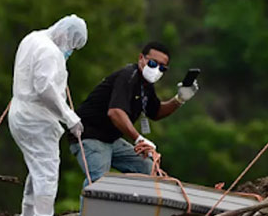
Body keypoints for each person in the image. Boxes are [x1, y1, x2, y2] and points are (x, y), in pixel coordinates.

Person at [68, 41, 199, 187]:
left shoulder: (146, 85)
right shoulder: (128, 76)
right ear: (141, 58)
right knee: (98, 181)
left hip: (111, 140)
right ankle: (90, 202)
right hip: (89, 135)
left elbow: (155, 112)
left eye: (162, 68)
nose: (156, 70)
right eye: (153, 64)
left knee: (149, 169)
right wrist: (139, 139)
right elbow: (115, 112)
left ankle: (138, 200)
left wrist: (179, 99)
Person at [9, 14, 88, 216]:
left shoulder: (33, 38)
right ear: (64, 35)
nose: (69, 50)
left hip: (21, 113)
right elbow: (45, 88)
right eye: (72, 45)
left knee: (36, 168)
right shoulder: (49, 51)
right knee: (47, 169)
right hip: (37, 119)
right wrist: (69, 117)